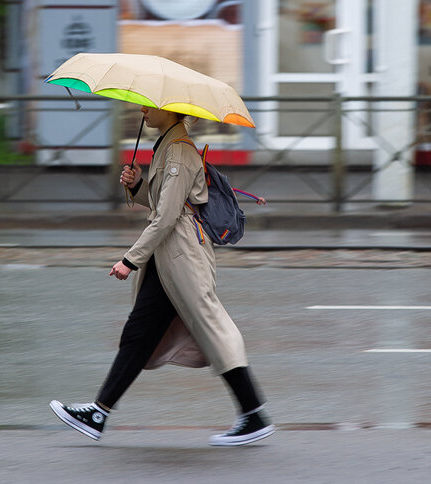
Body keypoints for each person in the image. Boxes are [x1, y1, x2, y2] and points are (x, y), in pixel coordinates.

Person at [49, 106, 274, 447]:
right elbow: (163, 203)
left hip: (181, 255)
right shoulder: (168, 147)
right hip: (168, 255)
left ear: (170, 112)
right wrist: (139, 185)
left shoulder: (179, 151)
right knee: (139, 333)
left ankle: (254, 414)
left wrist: (130, 259)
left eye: (149, 106)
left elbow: (168, 215)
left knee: (211, 328)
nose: (142, 110)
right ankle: (99, 413)